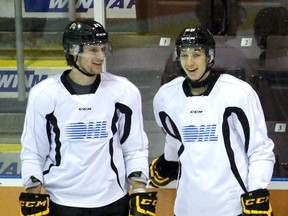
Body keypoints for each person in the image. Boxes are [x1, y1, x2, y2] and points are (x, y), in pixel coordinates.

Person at [19, 19, 157, 216]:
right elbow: (34, 151)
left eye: (103, 48)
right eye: (93, 50)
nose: (100, 56)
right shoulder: (45, 95)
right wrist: (33, 194)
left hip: (113, 201)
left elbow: (135, 147)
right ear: (72, 51)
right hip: (62, 201)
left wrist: (139, 190)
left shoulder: (124, 91)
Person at [149, 27, 275, 216]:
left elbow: (260, 148)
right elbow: (174, 138)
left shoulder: (237, 93)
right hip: (186, 208)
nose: (189, 62)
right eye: (184, 55)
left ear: (209, 56)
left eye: (196, 54)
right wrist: (169, 162)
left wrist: (256, 190)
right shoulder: (166, 97)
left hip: (230, 207)